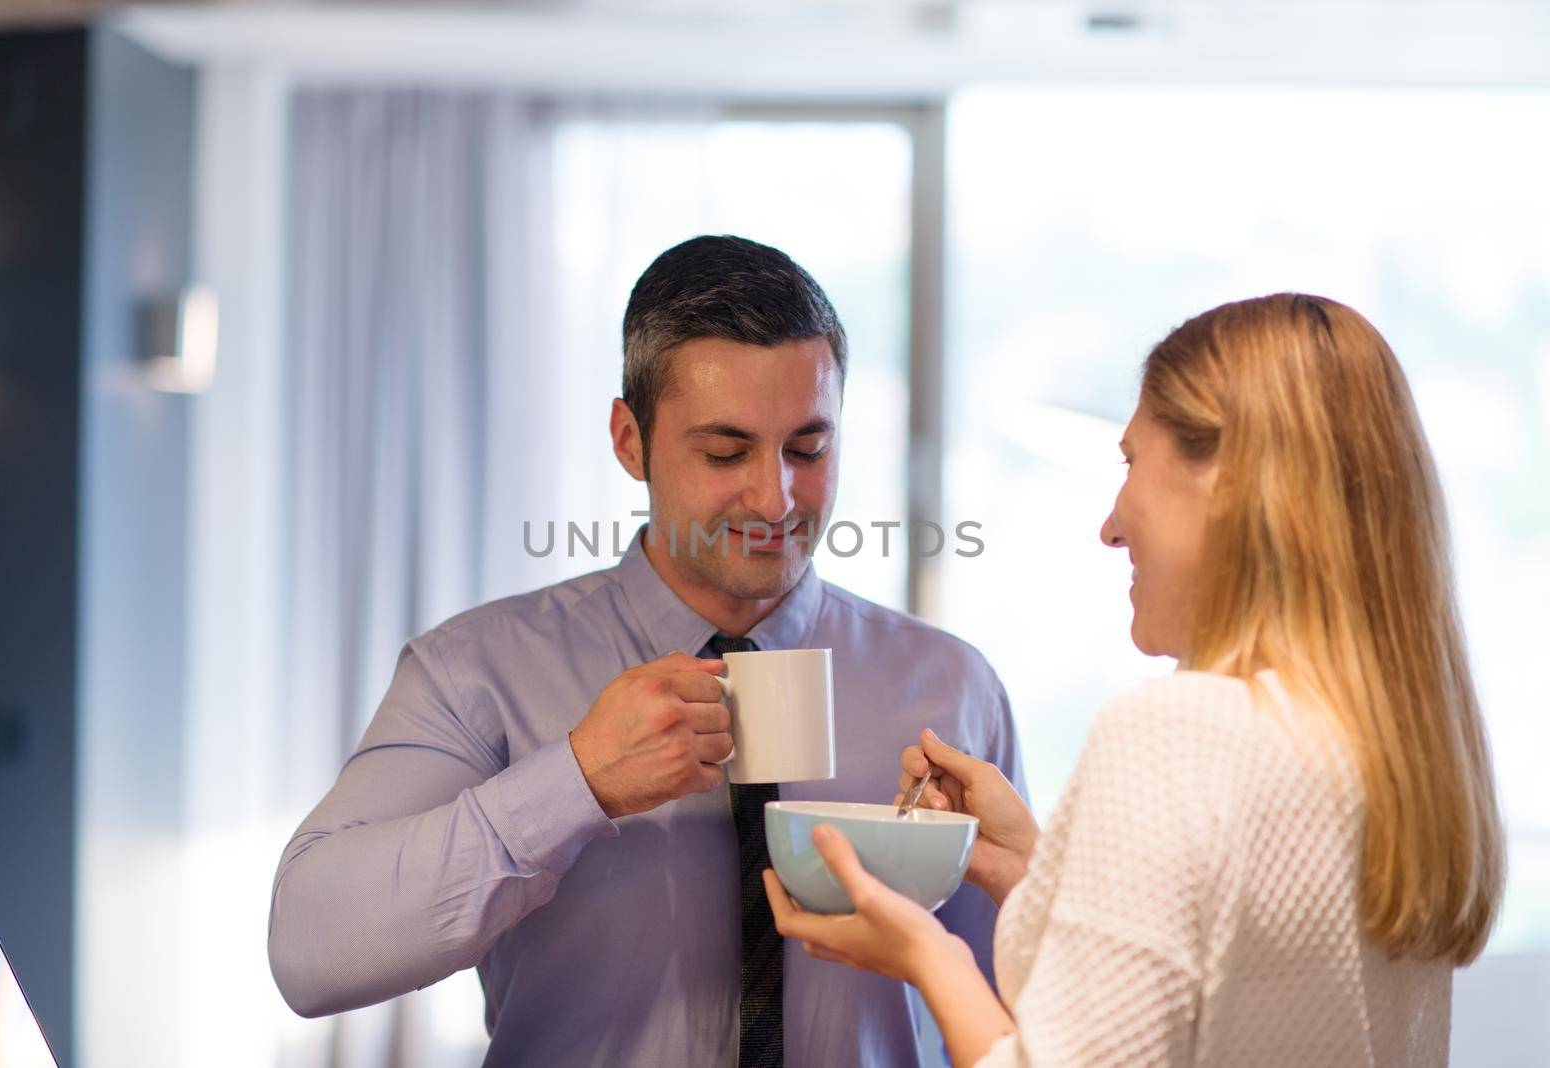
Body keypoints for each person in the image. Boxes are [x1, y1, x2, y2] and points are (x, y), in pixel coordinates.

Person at [267, 234, 1025, 1066]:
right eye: (725, 451)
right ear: (629, 440)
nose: (775, 496)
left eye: (808, 448)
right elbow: (309, 951)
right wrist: (576, 781)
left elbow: (1027, 1013)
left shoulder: (951, 687)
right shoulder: (475, 672)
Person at [766, 293, 1505, 1067]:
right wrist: (1027, 864)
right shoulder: (1390, 750)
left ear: (1228, 478)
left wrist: (929, 956)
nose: (1111, 523)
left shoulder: (1177, 733)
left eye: (1131, 462)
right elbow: (1218, 994)